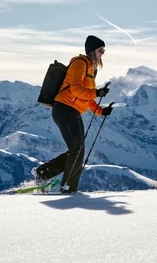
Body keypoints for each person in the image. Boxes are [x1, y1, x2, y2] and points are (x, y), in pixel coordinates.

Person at [32, 35, 113, 194]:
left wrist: (101, 110)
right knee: (77, 148)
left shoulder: (91, 69)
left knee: (78, 149)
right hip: (64, 108)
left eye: (103, 51)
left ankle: (44, 173)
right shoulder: (79, 63)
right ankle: (68, 188)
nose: (102, 54)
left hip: (73, 111)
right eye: (100, 50)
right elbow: (75, 89)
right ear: (91, 51)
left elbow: (86, 97)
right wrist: (97, 92)